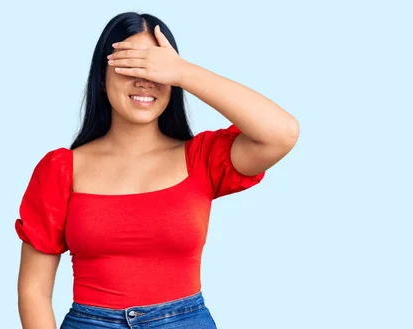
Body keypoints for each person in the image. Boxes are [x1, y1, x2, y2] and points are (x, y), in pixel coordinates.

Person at [15, 11, 300, 329]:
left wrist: (184, 72)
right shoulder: (60, 170)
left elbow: (281, 133)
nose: (144, 79)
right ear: (101, 76)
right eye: (130, 65)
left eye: (156, 67)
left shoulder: (201, 159)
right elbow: (34, 291)